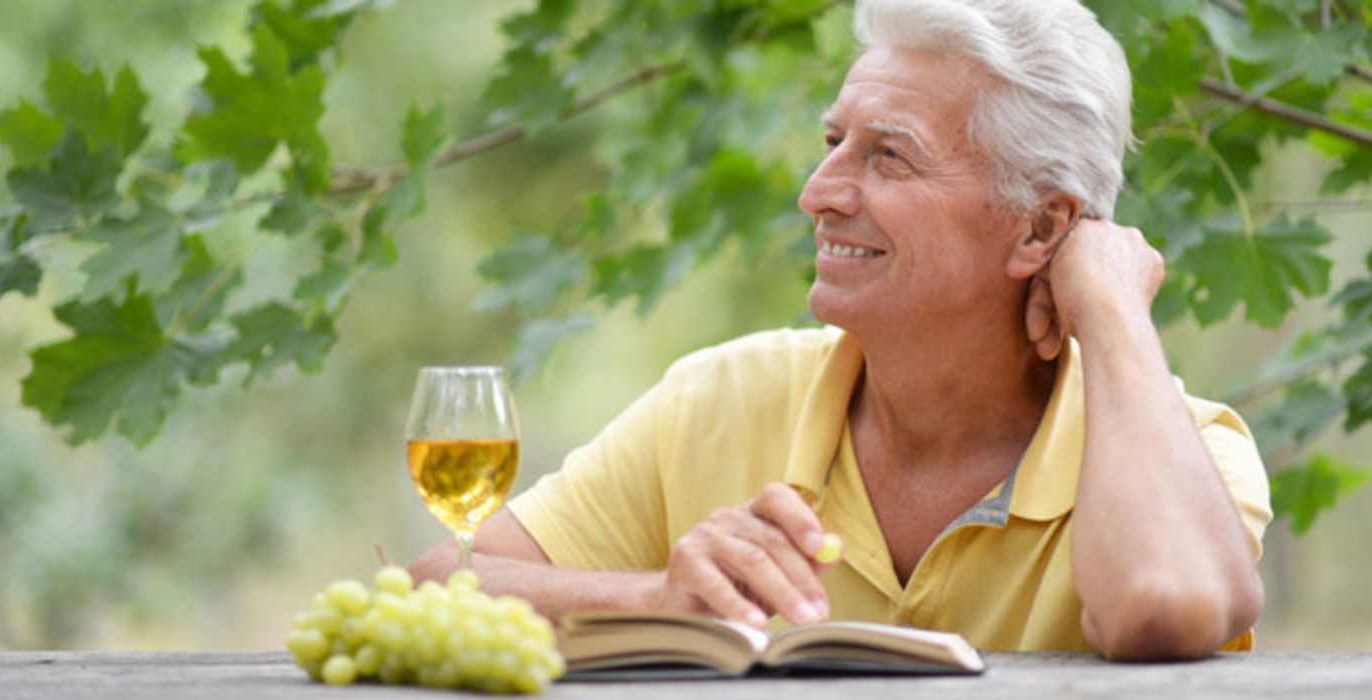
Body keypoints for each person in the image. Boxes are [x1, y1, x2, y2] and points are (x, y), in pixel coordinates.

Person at [410, 0, 1271, 661]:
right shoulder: (720, 398)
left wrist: (1111, 307)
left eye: (887, 154)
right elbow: (433, 587)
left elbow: (1165, 604)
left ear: (1042, 229)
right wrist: (657, 598)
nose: (817, 191)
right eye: (832, 140)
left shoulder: (1189, 452)